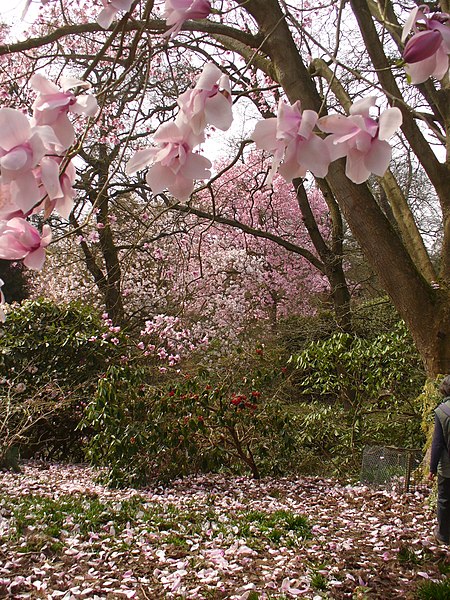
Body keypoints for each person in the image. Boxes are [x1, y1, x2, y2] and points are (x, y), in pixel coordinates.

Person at [429, 374, 450, 545]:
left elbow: (437, 443)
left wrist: (432, 468)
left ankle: (443, 535)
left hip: (448, 466)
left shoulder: (442, 411)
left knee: (444, 499)